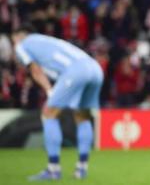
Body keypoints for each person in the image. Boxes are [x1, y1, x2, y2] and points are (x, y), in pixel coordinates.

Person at [12, 24, 103, 181]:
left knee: (49, 114)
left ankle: (53, 169)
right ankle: (81, 168)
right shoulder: (47, 40)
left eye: (13, 40)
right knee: (82, 116)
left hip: (76, 70)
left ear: (20, 36)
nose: (14, 45)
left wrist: (48, 91)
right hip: (95, 68)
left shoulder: (23, 44)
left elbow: (35, 70)